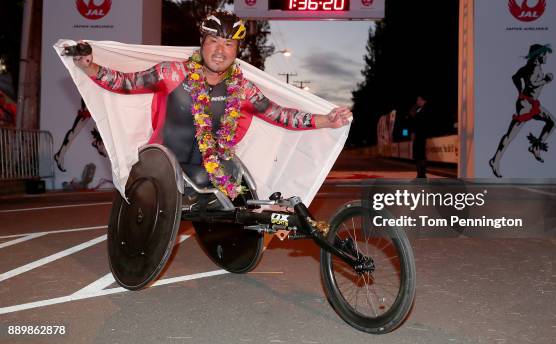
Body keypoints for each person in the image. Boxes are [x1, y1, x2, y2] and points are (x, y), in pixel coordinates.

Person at [71, 11, 352, 201]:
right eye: (213, 41)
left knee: (243, 187)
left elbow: (279, 114)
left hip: (212, 168)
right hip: (164, 168)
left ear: (236, 51)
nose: (220, 50)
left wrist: (326, 120)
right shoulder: (172, 74)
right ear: (202, 45)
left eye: (228, 44)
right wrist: (89, 65)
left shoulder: (241, 88)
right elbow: (124, 82)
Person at [489, 44, 556, 178]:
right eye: (544, 54)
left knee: (552, 122)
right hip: (526, 105)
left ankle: (535, 147)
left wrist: (520, 91)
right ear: (539, 56)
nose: (546, 57)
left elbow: (515, 77)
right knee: (511, 135)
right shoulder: (534, 67)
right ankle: (495, 160)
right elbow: (532, 83)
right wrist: (546, 80)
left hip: (531, 103)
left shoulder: (529, 66)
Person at [409, 95, 430, 178]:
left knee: (421, 155)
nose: (417, 101)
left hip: (422, 135)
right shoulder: (418, 109)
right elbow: (411, 116)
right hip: (417, 135)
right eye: (417, 100)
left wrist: (415, 116)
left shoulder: (426, 110)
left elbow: (422, 122)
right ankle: (419, 174)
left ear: (424, 101)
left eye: (419, 100)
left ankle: (422, 174)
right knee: (417, 155)